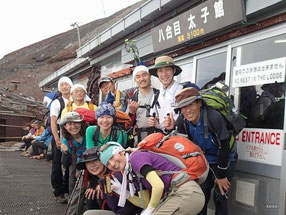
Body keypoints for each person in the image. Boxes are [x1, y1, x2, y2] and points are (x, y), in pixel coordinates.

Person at [165, 87, 237, 215]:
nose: (187, 110)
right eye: (183, 107)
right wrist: (171, 130)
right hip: (203, 160)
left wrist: (221, 175)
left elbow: (225, 145)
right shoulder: (182, 121)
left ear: (199, 103)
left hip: (224, 158)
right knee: (200, 196)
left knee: (220, 195)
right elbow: (181, 146)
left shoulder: (213, 117)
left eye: (191, 104)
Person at [99, 142, 205, 215]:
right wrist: (126, 195)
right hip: (177, 195)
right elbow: (145, 202)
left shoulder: (135, 157)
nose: (112, 164)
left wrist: (150, 210)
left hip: (186, 192)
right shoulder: (131, 172)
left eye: (112, 157)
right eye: (108, 164)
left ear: (122, 152)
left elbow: (158, 186)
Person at [76, 147, 142, 215]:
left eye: (95, 160)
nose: (92, 165)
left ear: (104, 161)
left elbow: (131, 206)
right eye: (88, 162)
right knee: (90, 195)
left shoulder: (116, 176)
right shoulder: (97, 181)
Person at [50, 76, 73, 203]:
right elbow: (53, 122)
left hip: (72, 134)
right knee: (57, 163)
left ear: (71, 86)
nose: (64, 87)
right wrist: (57, 139)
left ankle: (68, 189)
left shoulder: (75, 99)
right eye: (62, 85)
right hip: (59, 134)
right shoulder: (57, 102)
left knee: (69, 162)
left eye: (67, 84)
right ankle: (58, 191)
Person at [147, 55, 183, 132]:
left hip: (182, 139)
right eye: (160, 71)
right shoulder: (156, 96)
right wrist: (153, 123)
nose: (164, 74)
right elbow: (156, 120)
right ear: (157, 73)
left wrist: (175, 125)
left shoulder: (183, 91)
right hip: (164, 139)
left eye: (167, 69)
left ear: (174, 70)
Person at [127, 65, 159, 144]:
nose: (142, 79)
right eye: (138, 76)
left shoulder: (159, 95)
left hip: (158, 136)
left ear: (150, 76)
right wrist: (131, 113)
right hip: (140, 139)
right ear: (135, 80)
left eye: (144, 75)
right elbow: (126, 123)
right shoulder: (132, 99)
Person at [60, 111, 88, 194]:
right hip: (75, 171)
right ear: (65, 126)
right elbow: (65, 164)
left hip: (90, 168)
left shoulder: (88, 135)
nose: (73, 127)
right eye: (69, 124)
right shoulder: (66, 141)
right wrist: (65, 153)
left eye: (76, 123)